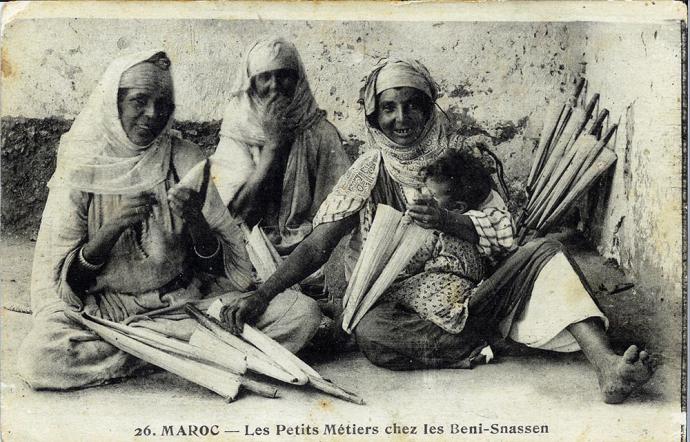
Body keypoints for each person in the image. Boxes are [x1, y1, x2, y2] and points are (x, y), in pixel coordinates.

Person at [219, 58, 655, 404]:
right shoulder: (370, 169)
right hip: (405, 304)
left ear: (430, 108)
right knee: (372, 335)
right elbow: (317, 245)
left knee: (545, 252)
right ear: (373, 114)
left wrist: (449, 221)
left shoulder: (461, 159)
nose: (401, 117)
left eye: (413, 105)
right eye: (388, 107)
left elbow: (506, 237)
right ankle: (489, 340)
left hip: (482, 290)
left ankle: (606, 366)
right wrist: (261, 294)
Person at [17, 50, 321, 391]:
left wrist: (195, 220)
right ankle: (182, 357)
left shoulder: (185, 157)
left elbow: (220, 269)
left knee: (301, 313)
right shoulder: (82, 166)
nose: (152, 114)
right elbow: (65, 282)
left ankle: (155, 355)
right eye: (139, 101)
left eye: (163, 104)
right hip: (108, 312)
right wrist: (111, 228)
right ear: (113, 103)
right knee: (40, 356)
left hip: (186, 305)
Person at [210, 37, 351, 261]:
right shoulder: (238, 131)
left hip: (310, 248)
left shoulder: (320, 132)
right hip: (248, 248)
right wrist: (272, 147)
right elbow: (232, 214)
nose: (275, 86)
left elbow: (342, 208)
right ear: (251, 84)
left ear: (298, 81)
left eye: (284, 76)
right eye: (265, 77)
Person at [383, 149, 493, 334]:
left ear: (458, 208)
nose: (423, 197)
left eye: (432, 196)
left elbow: (411, 262)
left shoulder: (435, 231)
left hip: (443, 287)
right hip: (470, 290)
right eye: (423, 190)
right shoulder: (479, 227)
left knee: (391, 293)